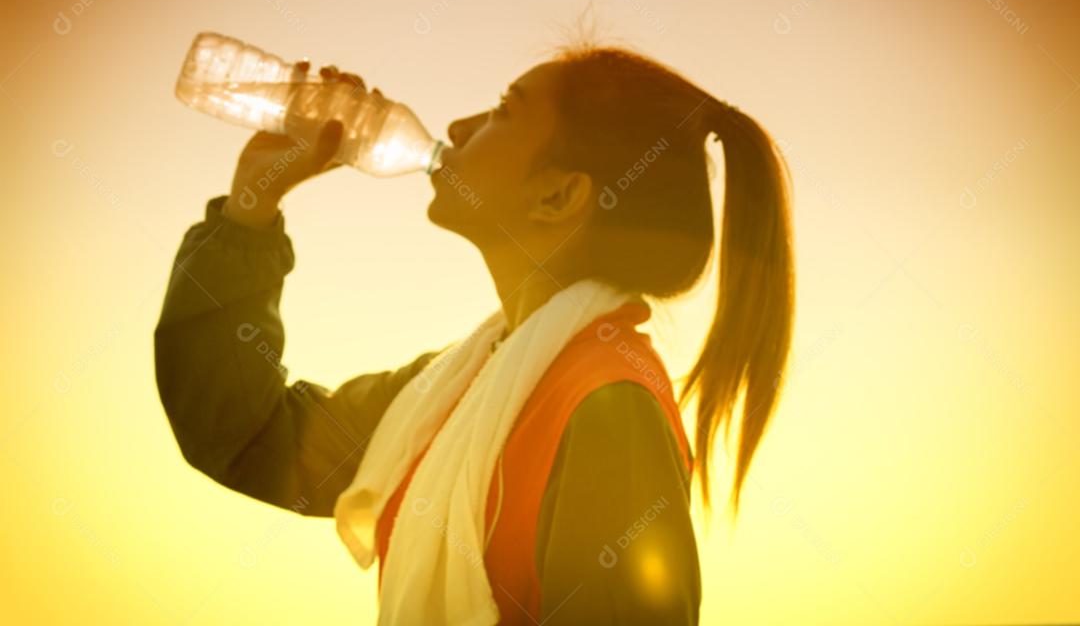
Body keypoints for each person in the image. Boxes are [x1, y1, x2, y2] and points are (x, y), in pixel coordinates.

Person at [154, 37, 795, 625]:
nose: (458, 127)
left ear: (558, 198)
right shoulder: (460, 390)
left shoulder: (608, 407)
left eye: (502, 112)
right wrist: (252, 202)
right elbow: (243, 432)